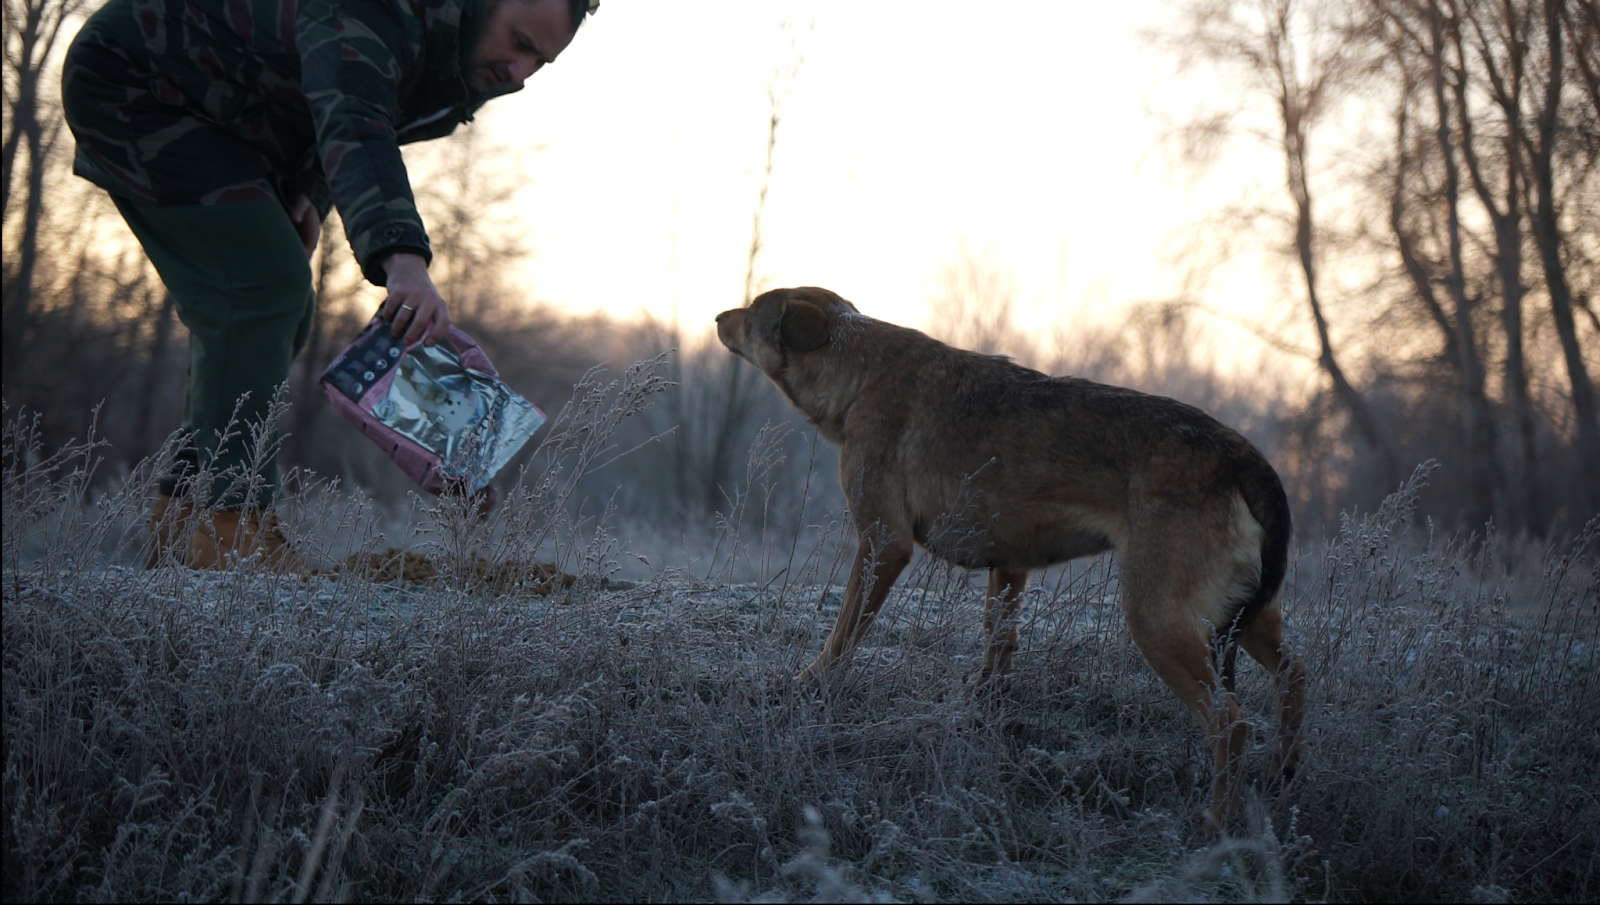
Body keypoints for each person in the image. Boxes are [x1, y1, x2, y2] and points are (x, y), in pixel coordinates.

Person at [61, 0, 595, 569]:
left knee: (276, 310)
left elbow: (324, 92)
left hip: (232, 117)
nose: (518, 74)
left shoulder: (455, 57)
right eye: (517, 42)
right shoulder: (385, 10)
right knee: (259, 290)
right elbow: (354, 115)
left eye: (540, 61)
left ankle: (187, 521)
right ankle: (229, 527)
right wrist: (403, 260)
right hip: (140, 76)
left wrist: (307, 190)